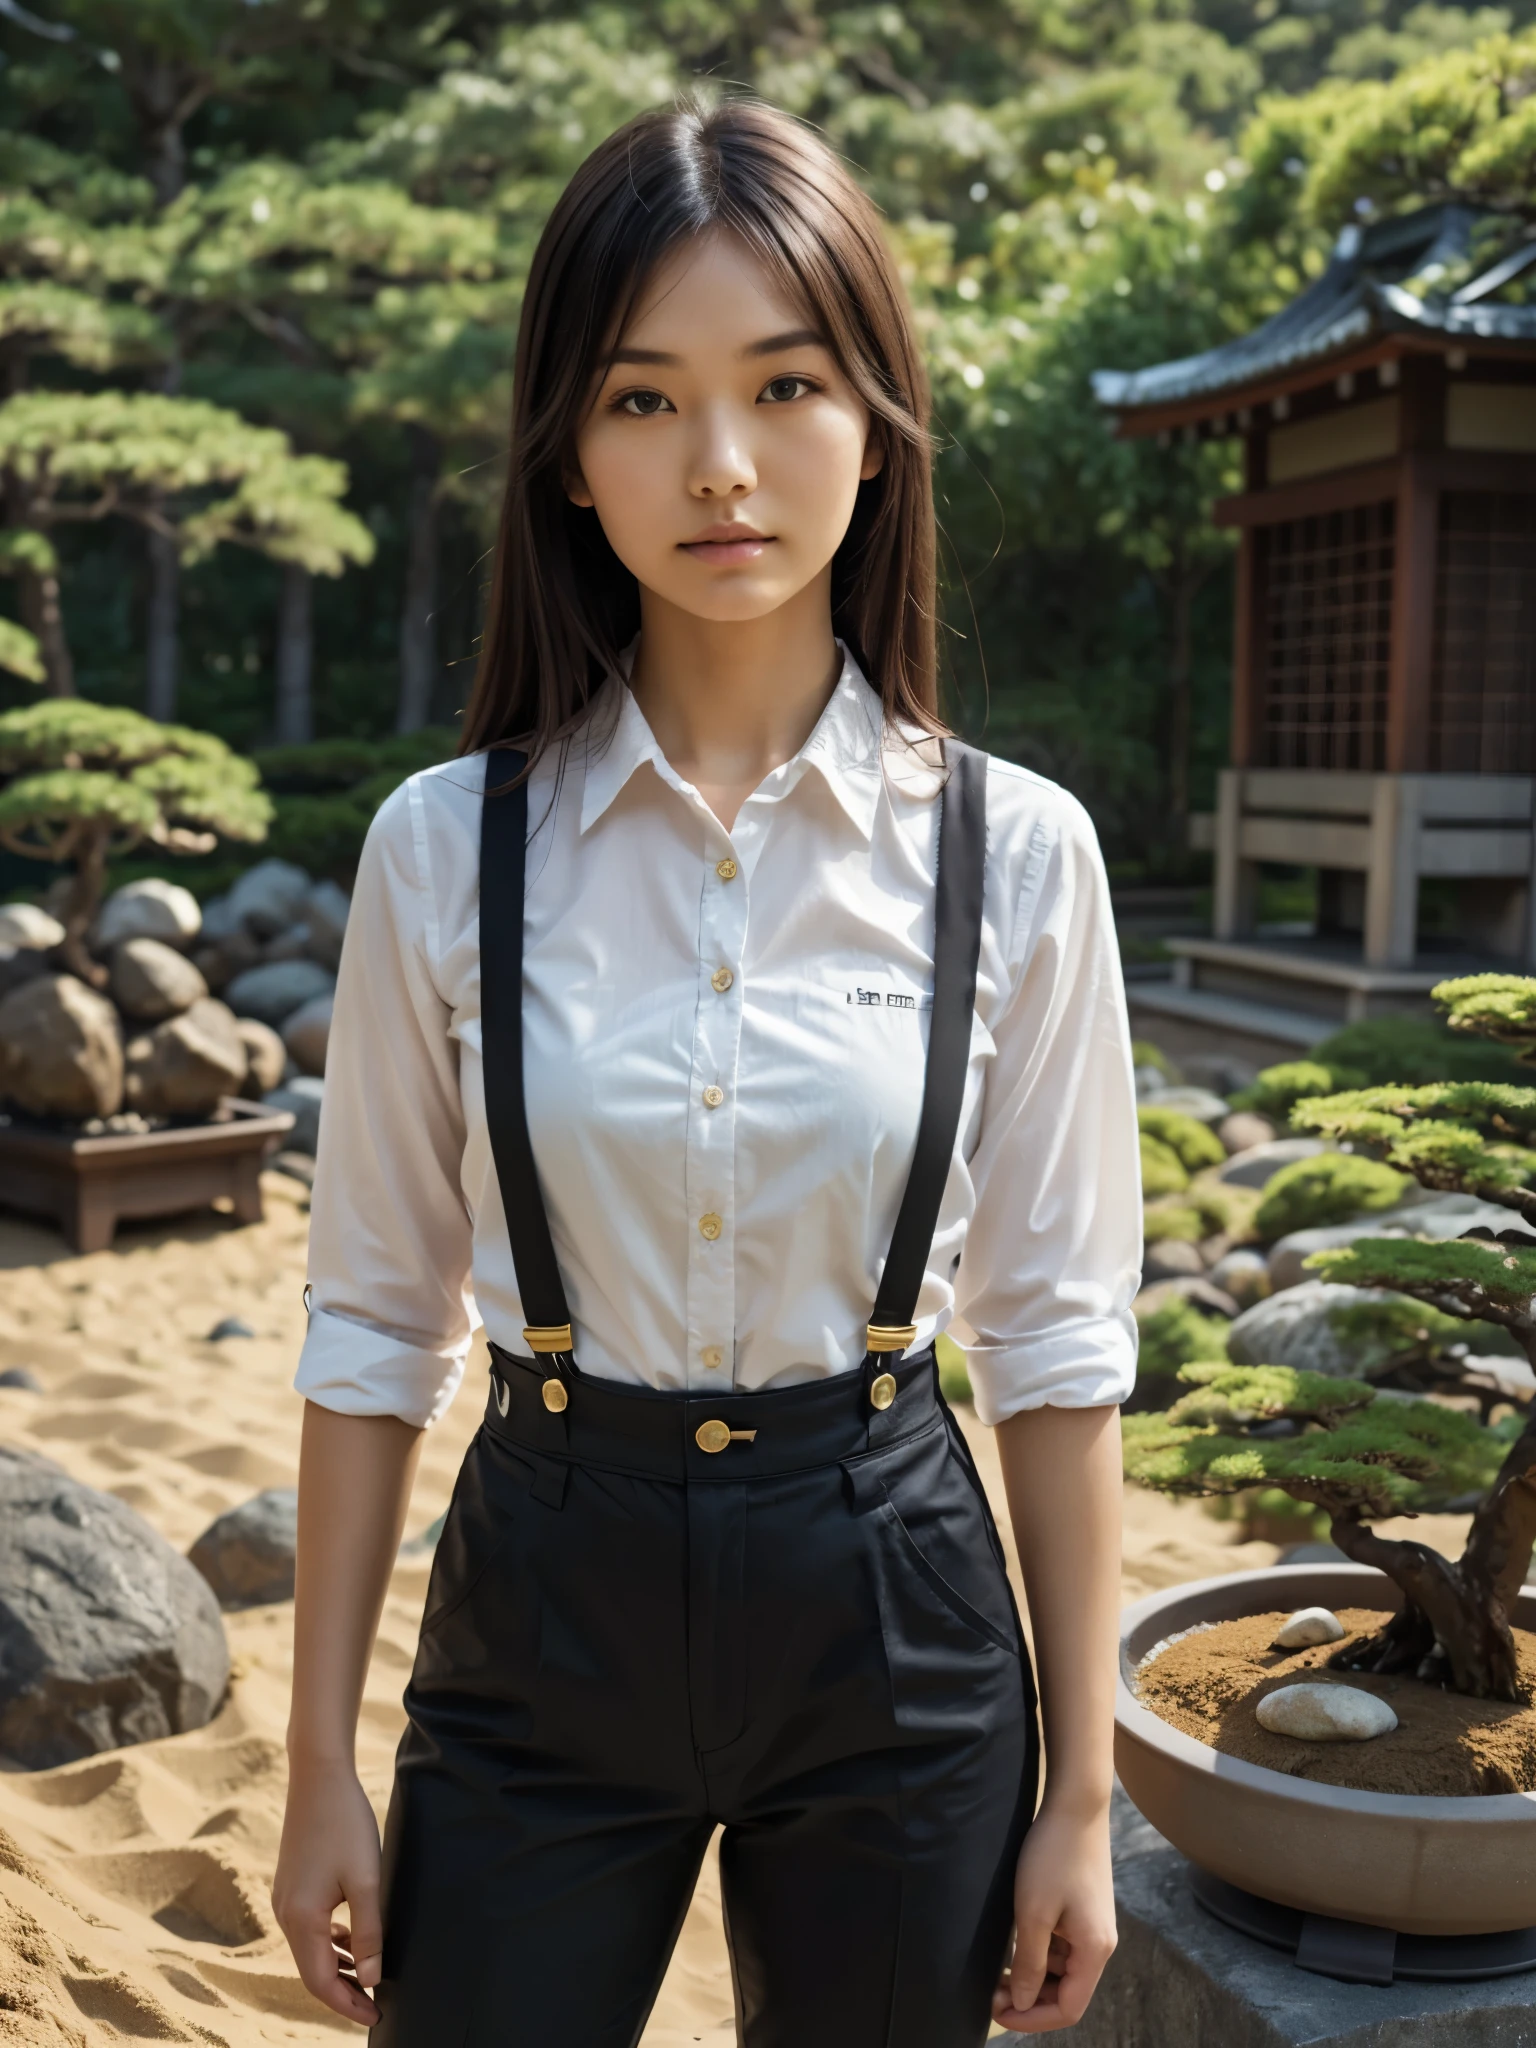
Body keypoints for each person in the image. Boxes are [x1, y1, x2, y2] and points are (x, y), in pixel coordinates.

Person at [272, 94, 1140, 2048]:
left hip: (898, 1599)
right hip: (545, 1594)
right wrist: (317, 1752)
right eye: (645, 398)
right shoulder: (445, 848)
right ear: (568, 454)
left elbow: (1063, 1342)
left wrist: (1083, 1791)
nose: (723, 464)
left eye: (786, 384)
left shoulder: (1019, 854)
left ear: (876, 416)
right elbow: (372, 1321)